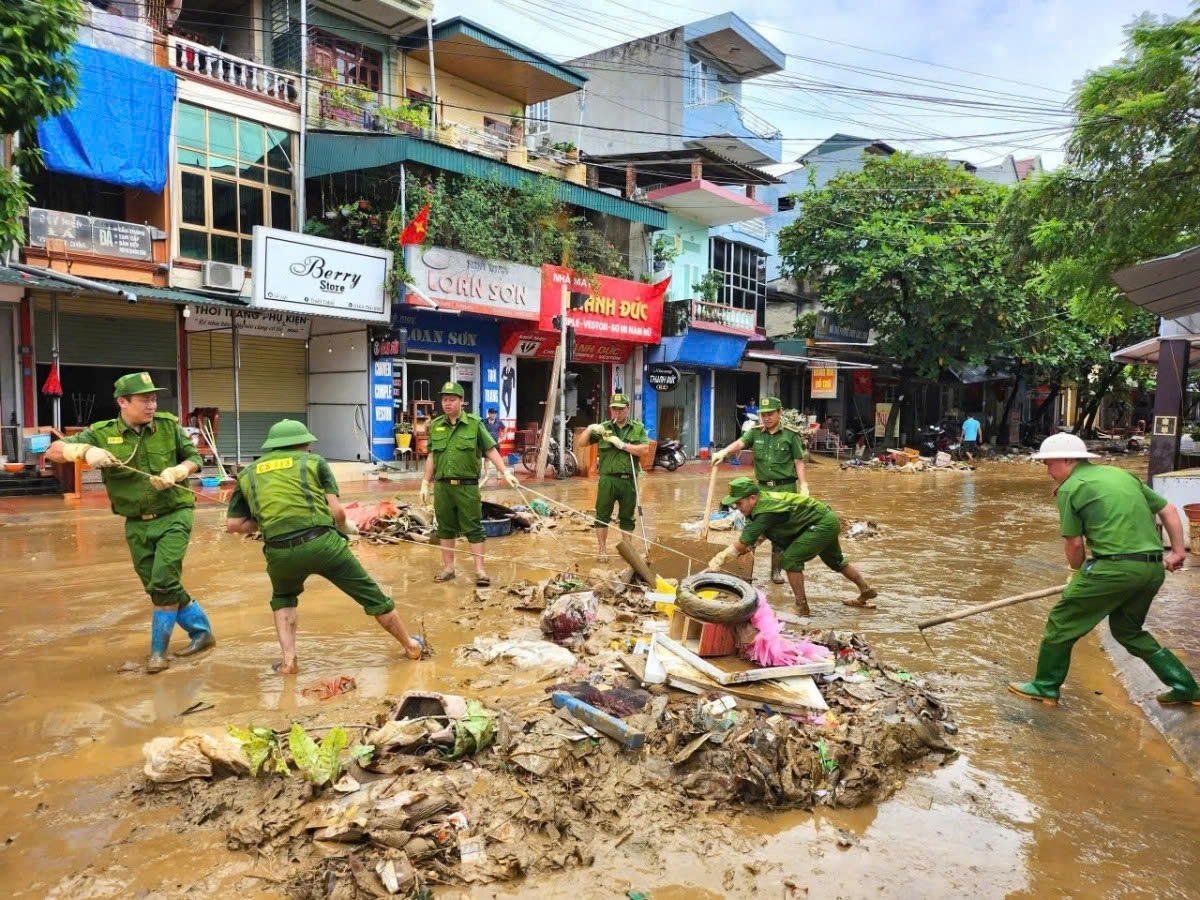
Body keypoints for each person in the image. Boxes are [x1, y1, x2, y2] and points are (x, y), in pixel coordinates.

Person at [1008, 433, 1200, 706]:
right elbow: (1168, 509)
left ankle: (1044, 686)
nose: (1047, 470)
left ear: (1067, 460)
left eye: (1048, 463)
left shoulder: (1070, 488)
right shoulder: (1121, 476)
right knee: (1128, 631)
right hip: (1151, 570)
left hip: (1113, 569)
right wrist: (1178, 551)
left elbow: (1074, 544)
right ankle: (1186, 688)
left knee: (1061, 623)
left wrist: (1076, 572)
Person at [45, 371, 214, 674]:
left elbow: (196, 459)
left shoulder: (167, 426)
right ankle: (202, 633)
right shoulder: (101, 431)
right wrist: (83, 450)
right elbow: (53, 451)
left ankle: (158, 654)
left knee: (163, 580)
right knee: (157, 586)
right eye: (144, 400)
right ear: (122, 402)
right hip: (136, 522)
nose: (151, 405)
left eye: (153, 399)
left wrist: (177, 472)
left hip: (175, 513)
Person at [224, 420, 424, 674]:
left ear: (273, 446)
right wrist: (348, 528)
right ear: (304, 443)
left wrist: (268, 521)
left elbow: (233, 524)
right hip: (322, 544)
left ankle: (288, 662)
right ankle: (410, 646)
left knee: (283, 599)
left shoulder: (248, 473)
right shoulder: (314, 463)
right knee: (371, 595)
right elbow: (337, 513)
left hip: (280, 551)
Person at [706, 478, 877, 616]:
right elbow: (765, 531)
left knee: (790, 559)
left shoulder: (763, 512)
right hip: (827, 519)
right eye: (735, 504)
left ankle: (801, 607)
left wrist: (720, 558)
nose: (737, 508)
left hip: (821, 524)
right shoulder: (763, 501)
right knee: (836, 561)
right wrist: (754, 543)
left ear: (752, 498)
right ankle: (866, 590)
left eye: (740, 503)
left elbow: (742, 544)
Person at [420, 383, 519, 586]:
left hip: (467, 486)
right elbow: (432, 455)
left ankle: (480, 571)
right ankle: (448, 568)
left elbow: (490, 450)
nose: (447, 403)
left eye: (452, 399)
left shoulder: (474, 424)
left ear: (461, 402)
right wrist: (424, 482)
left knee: (474, 528)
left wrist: (505, 471)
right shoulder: (437, 424)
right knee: (445, 528)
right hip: (443, 487)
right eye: (444, 399)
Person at [711, 396, 809, 584]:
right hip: (762, 490)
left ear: (780, 413)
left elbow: (799, 461)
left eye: (771, 414)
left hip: (786, 489)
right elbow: (740, 443)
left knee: (780, 532)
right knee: (753, 529)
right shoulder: (755, 433)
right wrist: (724, 452)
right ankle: (745, 570)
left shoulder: (790, 435)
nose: (767, 418)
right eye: (763, 415)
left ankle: (776, 572)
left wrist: (804, 486)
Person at [576, 393, 649, 559]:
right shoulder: (604, 428)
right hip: (608, 480)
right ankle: (602, 551)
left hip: (629, 480)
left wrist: (622, 445)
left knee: (627, 518)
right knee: (602, 516)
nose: (617, 412)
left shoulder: (637, 428)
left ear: (628, 409)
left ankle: (628, 553)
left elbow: (644, 450)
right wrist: (590, 428)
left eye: (621, 409)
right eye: (614, 409)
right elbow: (581, 443)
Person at [483, 408, 504, 485]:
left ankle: (498, 474)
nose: (494, 415)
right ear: (489, 414)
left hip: (496, 443)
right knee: (487, 459)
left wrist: (502, 437)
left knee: (497, 459)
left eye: (495, 413)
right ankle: (487, 475)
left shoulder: (499, 421)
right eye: (492, 413)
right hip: (486, 443)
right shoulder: (484, 421)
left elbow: (504, 428)